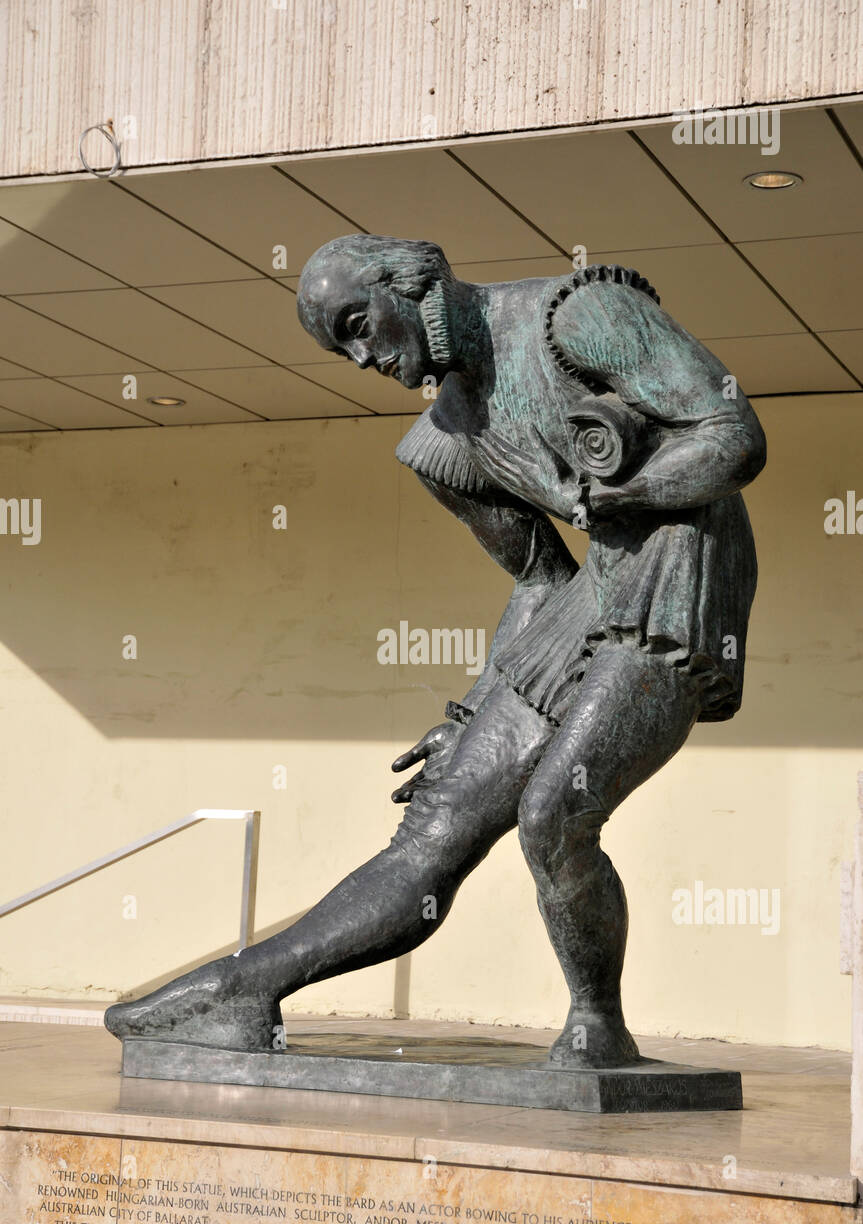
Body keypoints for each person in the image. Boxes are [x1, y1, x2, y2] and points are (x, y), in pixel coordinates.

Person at [106, 235, 765, 1068]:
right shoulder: (444, 445)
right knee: (434, 828)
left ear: (409, 281)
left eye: (356, 325)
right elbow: (535, 576)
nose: (359, 357)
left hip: (674, 579)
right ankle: (244, 987)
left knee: (553, 815)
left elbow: (732, 436)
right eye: (340, 344)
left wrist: (615, 494)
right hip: (585, 600)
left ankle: (597, 1030)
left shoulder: (581, 316)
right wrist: (470, 710)